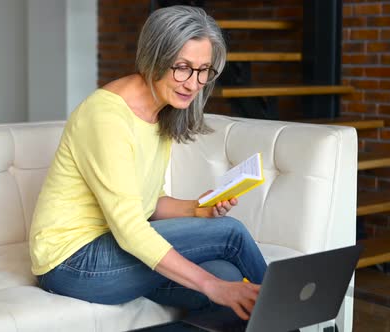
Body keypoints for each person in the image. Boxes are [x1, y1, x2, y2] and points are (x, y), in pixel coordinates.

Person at [29, 5, 267, 320]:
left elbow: (148, 203)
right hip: (71, 263)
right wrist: (211, 286)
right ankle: (296, 317)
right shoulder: (107, 117)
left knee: (227, 275)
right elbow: (131, 229)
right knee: (229, 235)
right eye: (182, 67)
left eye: (203, 70)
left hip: (114, 250)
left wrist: (198, 208)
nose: (193, 83)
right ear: (155, 58)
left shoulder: (161, 111)